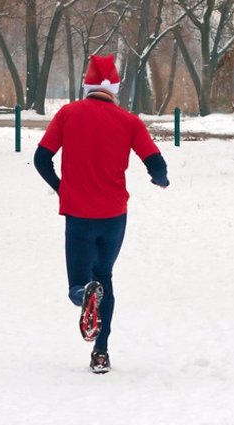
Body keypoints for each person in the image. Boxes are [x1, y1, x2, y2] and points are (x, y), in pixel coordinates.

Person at [34, 53, 169, 374]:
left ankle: (82, 293)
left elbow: (41, 159)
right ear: (114, 89)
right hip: (113, 217)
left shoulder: (68, 114)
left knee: (78, 284)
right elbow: (157, 163)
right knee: (105, 277)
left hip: (79, 215)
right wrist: (160, 179)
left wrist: (61, 187)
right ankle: (101, 353)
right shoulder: (129, 121)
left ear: (88, 85)